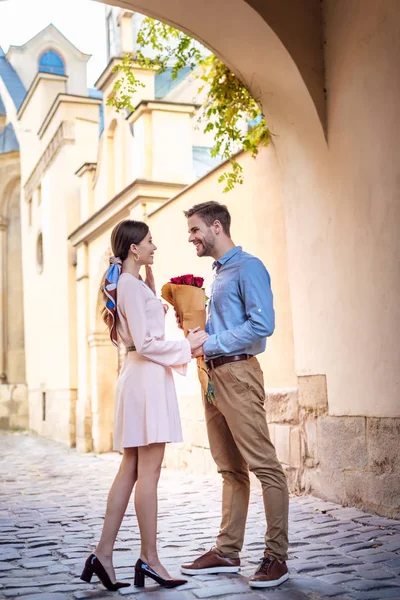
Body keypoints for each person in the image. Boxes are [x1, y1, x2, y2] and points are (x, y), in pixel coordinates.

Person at [81, 219, 208, 591]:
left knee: (132, 469)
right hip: (146, 380)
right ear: (134, 248)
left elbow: (145, 340)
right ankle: (149, 559)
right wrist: (190, 345)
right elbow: (148, 344)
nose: (155, 247)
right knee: (146, 472)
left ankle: (103, 555)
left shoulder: (132, 284)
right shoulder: (131, 287)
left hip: (142, 378)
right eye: (150, 242)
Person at [179, 201, 289, 589]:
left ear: (215, 226)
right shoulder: (219, 274)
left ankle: (277, 557)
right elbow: (221, 326)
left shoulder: (249, 267)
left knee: (265, 466)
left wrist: (211, 342)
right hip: (212, 377)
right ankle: (227, 551)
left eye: (194, 230)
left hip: (239, 373)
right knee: (229, 468)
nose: (191, 237)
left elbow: (263, 324)